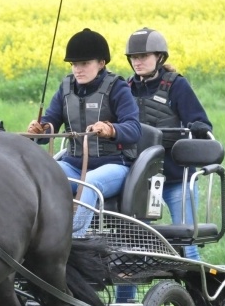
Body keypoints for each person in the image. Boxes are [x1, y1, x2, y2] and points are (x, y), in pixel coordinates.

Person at [28, 28, 141, 238]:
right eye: (74, 64)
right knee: (41, 172)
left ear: (101, 63)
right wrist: (39, 130)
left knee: (89, 181)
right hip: (73, 165)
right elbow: (48, 129)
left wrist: (111, 129)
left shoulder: (117, 88)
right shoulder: (65, 88)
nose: (78, 70)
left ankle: (73, 239)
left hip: (114, 165)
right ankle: (37, 234)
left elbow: (134, 129)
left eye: (84, 63)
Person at [125, 27, 213, 260]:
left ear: (159, 57)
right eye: (134, 57)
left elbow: (201, 121)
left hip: (177, 177)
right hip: (140, 180)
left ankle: (196, 295)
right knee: (131, 246)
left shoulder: (177, 85)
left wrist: (198, 127)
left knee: (188, 244)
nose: (138, 62)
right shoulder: (125, 88)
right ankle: (127, 297)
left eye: (143, 56)